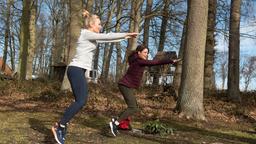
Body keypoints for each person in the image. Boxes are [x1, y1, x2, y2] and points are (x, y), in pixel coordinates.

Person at [51, 10, 138, 144]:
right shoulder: (86, 34)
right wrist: (126, 34)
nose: (101, 26)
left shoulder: (90, 34)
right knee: (80, 101)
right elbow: (107, 37)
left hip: (78, 71)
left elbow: (106, 37)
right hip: (75, 69)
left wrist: (125, 37)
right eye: (99, 24)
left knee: (81, 101)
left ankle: (63, 125)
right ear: (91, 25)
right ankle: (60, 126)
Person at [109, 44, 181, 136]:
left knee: (134, 106)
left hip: (126, 85)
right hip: (125, 85)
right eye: (145, 52)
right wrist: (171, 60)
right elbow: (155, 62)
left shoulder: (135, 60)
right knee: (133, 107)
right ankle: (115, 124)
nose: (146, 54)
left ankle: (118, 121)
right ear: (139, 52)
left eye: (147, 53)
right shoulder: (139, 61)